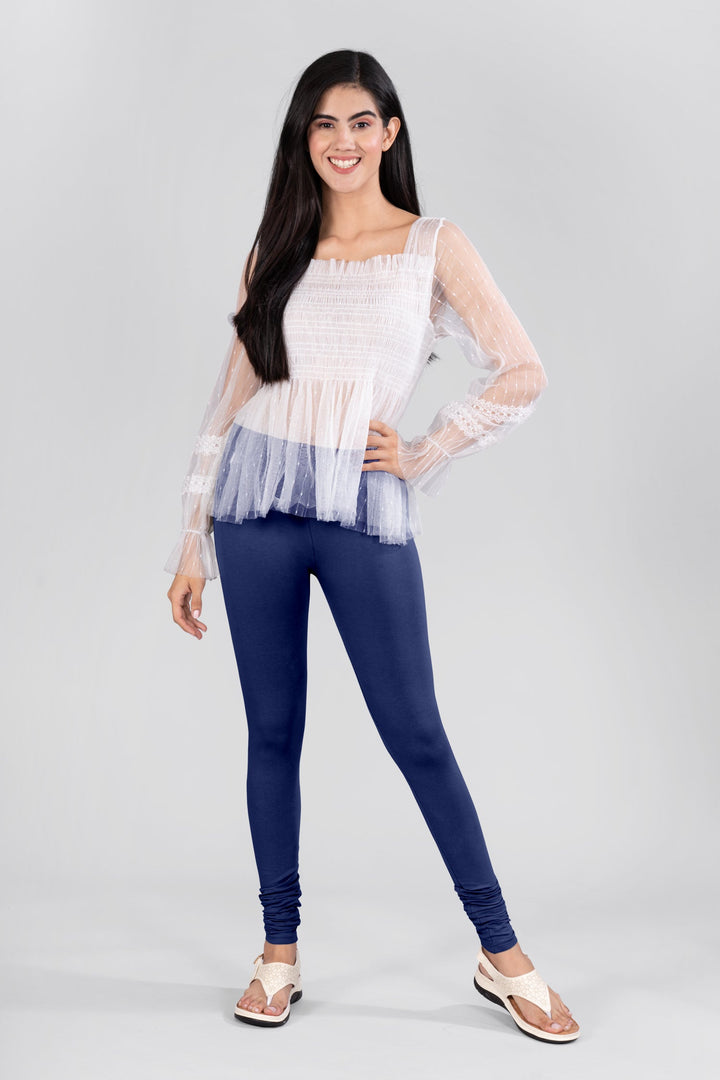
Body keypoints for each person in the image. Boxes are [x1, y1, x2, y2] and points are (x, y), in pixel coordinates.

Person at [164, 49, 579, 1043]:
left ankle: (501, 954)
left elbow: (521, 369)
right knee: (273, 732)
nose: (342, 142)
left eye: (360, 122)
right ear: (303, 139)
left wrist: (427, 449)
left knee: (416, 733)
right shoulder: (279, 245)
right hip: (256, 508)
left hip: (362, 506)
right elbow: (229, 399)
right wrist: (190, 542)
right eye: (323, 124)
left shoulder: (433, 244)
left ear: (390, 132)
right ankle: (278, 953)